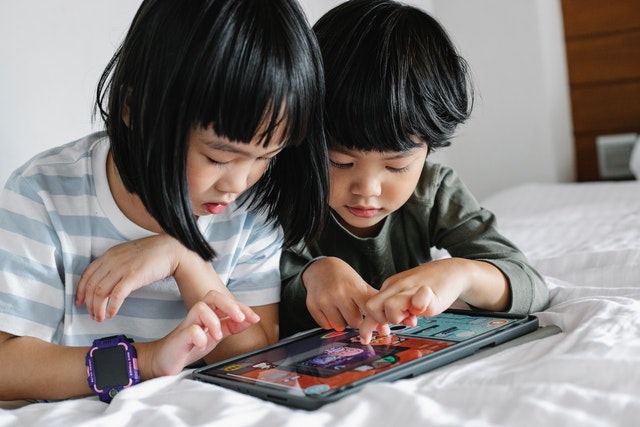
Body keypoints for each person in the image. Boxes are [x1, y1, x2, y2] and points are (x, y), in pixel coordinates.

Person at [0, 0, 328, 402]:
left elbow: (258, 358)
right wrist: (147, 359)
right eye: (218, 158)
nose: (239, 183)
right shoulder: (45, 195)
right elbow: (5, 365)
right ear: (134, 110)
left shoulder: (250, 210)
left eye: (266, 157)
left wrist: (185, 262)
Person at [279, 0, 549, 343]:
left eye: (396, 166)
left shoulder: (433, 191)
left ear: (429, 149)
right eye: (340, 162)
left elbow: (529, 283)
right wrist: (311, 276)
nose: (368, 189)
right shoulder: (285, 195)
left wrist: (461, 273)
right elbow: (253, 303)